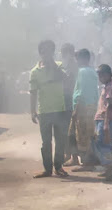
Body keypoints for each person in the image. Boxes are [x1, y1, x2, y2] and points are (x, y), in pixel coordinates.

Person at [30, 40, 71, 178]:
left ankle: (58, 167)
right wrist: (32, 111)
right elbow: (33, 92)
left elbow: (67, 79)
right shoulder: (34, 72)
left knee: (60, 140)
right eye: (44, 51)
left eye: (50, 51)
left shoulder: (59, 66)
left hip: (60, 109)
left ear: (53, 53)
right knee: (46, 142)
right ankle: (47, 169)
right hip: (44, 111)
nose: (47, 54)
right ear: (40, 53)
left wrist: (53, 65)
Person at [71, 49, 100, 171]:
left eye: (77, 59)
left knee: (83, 135)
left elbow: (81, 93)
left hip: (83, 108)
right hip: (92, 106)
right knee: (89, 134)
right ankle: (88, 161)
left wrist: (76, 110)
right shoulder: (92, 72)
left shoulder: (82, 72)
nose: (76, 62)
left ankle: (87, 164)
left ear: (82, 59)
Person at [92, 64, 112, 179]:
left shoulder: (110, 87)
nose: (100, 77)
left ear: (109, 74)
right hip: (104, 119)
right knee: (105, 145)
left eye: (102, 74)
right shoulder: (107, 86)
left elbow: (110, 105)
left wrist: (105, 124)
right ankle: (109, 169)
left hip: (106, 120)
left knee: (102, 143)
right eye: (99, 75)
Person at [60, 43, 80, 166]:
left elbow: (68, 80)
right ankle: (68, 154)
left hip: (71, 101)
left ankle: (73, 157)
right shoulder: (70, 64)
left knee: (70, 130)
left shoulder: (72, 64)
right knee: (67, 129)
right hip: (68, 100)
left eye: (63, 52)